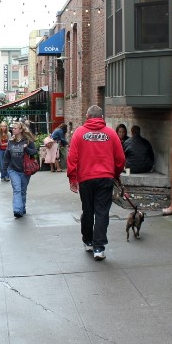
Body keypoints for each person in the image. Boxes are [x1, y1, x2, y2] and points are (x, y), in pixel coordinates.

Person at [67, 105, 125, 260]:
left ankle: (88, 241)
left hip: (86, 178)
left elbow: (72, 158)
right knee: (101, 212)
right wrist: (116, 174)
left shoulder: (79, 133)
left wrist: (73, 178)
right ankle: (99, 248)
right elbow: (120, 159)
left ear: (87, 116)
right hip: (105, 178)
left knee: (88, 211)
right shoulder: (111, 134)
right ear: (102, 117)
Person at [3, 122, 37, 218]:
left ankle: (22, 208)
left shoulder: (28, 141)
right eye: (12, 128)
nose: (13, 130)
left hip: (25, 170)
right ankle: (17, 210)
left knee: (22, 190)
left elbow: (34, 152)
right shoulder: (11, 141)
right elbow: (7, 155)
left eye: (15, 128)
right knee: (17, 189)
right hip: (13, 169)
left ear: (21, 130)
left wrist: (26, 149)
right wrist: (4, 169)